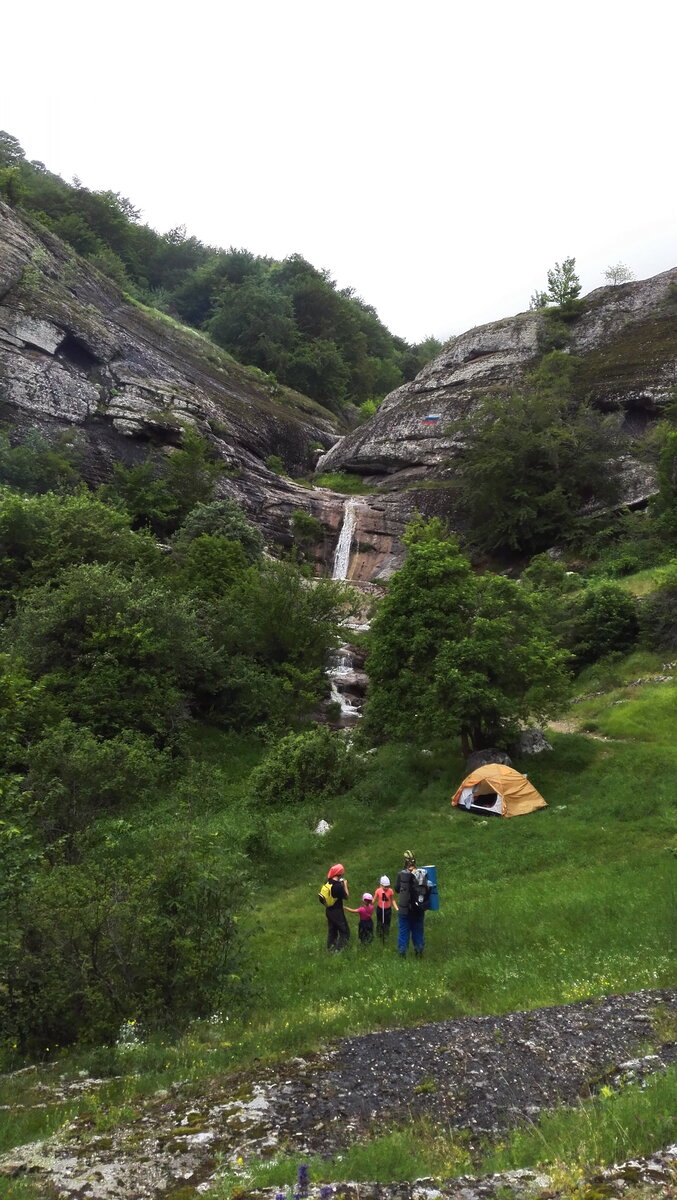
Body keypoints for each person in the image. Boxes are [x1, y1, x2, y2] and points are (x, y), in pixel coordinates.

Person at [394, 850, 426, 958]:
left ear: (405, 861)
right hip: (418, 909)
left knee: (403, 931)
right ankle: (419, 952)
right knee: (418, 931)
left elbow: (397, 889)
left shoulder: (401, 874)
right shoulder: (421, 873)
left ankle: (402, 954)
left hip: (404, 909)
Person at [323, 863, 350, 952]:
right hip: (337, 912)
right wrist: (345, 885)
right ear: (340, 874)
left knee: (332, 931)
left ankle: (330, 948)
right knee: (344, 931)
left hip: (329, 910)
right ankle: (338, 950)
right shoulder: (338, 886)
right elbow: (346, 896)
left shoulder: (328, 882)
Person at [373, 875, 398, 939]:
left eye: (388, 886)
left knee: (387, 923)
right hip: (380, 909)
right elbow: (374, 900)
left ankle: (386, 935)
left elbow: (393, 900)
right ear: (381, 885)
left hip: (387, 910)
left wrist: (396, 908)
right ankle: (379, 935)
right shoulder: (378, 891)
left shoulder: (390, 891)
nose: (386, 888)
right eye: (385, 887)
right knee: (379, 922)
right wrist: (369, 904)